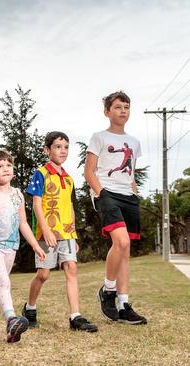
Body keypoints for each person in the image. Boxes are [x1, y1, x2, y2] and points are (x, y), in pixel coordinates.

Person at [22, 131, 98, 332]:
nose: (62, 150)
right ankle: (29, 308)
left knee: (71, 268)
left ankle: (75, 317)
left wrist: (74, 234)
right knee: (44, 274)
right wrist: (45, 231)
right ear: (47, 150)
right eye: (57, 146)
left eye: (65, 147)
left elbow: (70, 207)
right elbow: (37, 205)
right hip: (47, 233)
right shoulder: (41, 173)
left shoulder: (69, 178)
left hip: (67, 234)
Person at [84, 91, 147, 325]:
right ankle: (108, 290)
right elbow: (89, 172)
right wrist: (102, 194)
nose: (123, 111)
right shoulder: (99, 137)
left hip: (128, 196)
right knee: (121, 241)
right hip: (106, 193)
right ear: (107, 112)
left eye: (127, 107)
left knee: (125, 252)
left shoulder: (135, 142)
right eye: (118, 107)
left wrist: (135, 193)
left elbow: (130, 173)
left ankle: (124, 304)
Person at [0, 149, 46, 343]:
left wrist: (36, 246)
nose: (5, 169)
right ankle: (11, 319)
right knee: (3, 281)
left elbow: (23, 223)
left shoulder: (18, 195)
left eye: (8, 165)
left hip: (11, 246)